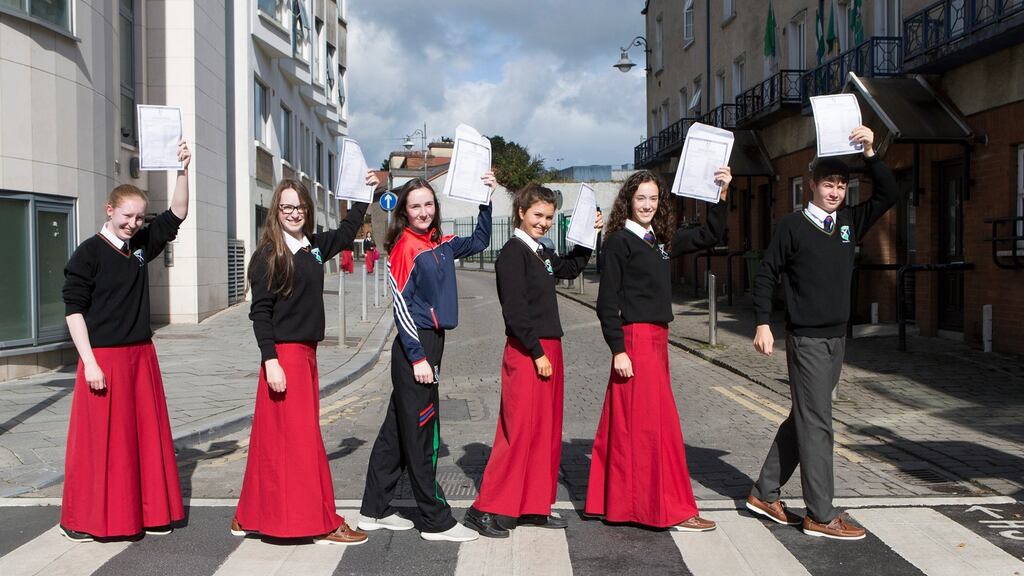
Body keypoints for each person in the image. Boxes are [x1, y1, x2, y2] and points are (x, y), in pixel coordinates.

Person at [747, 126, 898, 541]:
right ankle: (821, 513)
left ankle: (764, 491)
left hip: (837, 338)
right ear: (811, 185)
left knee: (806, 418)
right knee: (819, 424)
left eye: (841, 185)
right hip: (807, 339)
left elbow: (889, 193)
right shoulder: (791, 227)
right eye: (828, 184)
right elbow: (766, 275)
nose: (835, 192)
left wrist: (870, 152)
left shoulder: (849, 222)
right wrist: (763, 322)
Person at [232, 172, 379, 546]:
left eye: (299, 207)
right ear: (276, 212)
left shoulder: (312, 246)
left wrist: (364, 193)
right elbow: (260, 313)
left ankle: (251, 514)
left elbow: (347, 233)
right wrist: (271, 361)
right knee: (302, 442)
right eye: (286, 207)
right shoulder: (268, 255)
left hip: (306, 356)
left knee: (277, 440)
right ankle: (322, 520)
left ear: (307, 210)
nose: (293, 213)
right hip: (285, 357)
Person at [59, 141, 192, 542]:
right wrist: (91, 364)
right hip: (104, 358)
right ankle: (84, 521)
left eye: (138, 217)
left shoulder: (138, 247)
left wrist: (183, 170)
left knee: (143, 442)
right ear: (109, 210)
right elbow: (73, 311)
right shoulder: (88, 254)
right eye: (127, 216)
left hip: (141, 357)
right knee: (103, 447)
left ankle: (149, 514)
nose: (133, 223)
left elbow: (177, 214)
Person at [586, 167, 731, 531]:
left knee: (645, 427)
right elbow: (607, 303)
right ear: (628, 202)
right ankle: (665, 509)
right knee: (651, 429)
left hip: (658, 341)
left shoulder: (661, 240)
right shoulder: (619, 241)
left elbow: (712, 234)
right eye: (640, 198)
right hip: (634, 342)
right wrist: (618, 350)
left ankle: (634, 505)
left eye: (653, 198)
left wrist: (720, 194)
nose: (647, 204)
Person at [359, 173, 496, 543]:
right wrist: (418, 357)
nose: (422, 211)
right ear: (405, 210)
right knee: (422, 435)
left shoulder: (440, 242)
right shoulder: (406, 246)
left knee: (396, 432)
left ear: (436, 208)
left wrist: (485, 199)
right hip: (415, 348)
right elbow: (400, 306)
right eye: (415, 205)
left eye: (428, 204)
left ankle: (374, 510)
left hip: (430, 344)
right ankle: (435, 521)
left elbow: (482, 239)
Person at [464, 184, 603, 538]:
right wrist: (537, 353)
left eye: (549, 217)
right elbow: (515, 311)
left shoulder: (540, 251)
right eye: (538, 215)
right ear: (521, 213)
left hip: (548, 348)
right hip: (528, 352)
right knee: (518, 431)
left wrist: (589, 236)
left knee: (546, 432)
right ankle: (487, 508)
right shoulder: (512, 253)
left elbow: (570, 269)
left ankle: (533, 506)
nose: (543, 222)